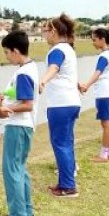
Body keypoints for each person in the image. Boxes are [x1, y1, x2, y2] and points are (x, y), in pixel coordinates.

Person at [0, 31, 39, 216]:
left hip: (17, 126)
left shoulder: (23, 73)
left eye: (6, 53)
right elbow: (23, 94)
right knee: (20, 169)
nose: (6, 57)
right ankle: (26, 212)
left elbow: (28, 104)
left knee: (11, 170)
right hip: (24, 127)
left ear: (15, 50)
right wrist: (6, 95)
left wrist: (6, 109)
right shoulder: (29, 68)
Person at [39, 14, 81, 197]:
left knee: (60, 143)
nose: (44, 35)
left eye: (45, 31)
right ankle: (66, 180)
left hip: (60, 104)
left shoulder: (57, 50)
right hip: (72, 102)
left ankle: (68, 186)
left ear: (54, 31)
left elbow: (54, 68)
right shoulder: (69, 49)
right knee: (67, 142)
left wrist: (42, 81)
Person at [79, 28, 109, 162]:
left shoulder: (103, 56)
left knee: (106, 123)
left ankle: (104, 154)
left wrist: (86, 85)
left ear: (102, 40)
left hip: (103, 92)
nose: (93, 43)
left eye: (94, 40)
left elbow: (98, 73)